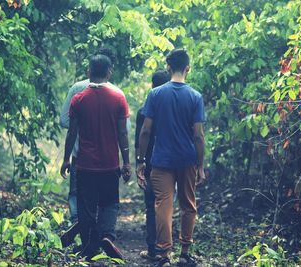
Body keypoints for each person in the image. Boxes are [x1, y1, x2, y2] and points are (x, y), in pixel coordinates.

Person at [137, 49, 206, 267]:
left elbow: (146, 131)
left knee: (163, 206)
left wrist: (140, 160)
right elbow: (198, 135)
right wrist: (201, 165)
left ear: (168, 67)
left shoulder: (156, 95)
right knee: (188, 205)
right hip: (187, 159)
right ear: (188, 68)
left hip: (161, 160)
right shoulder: (195, 96)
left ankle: (163, 255)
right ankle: (185, 254)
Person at [61, 54, 131, 260]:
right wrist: (126, 162)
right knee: (110, 203)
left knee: (86, 206)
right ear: (109, 72)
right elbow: (123, 134)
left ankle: (89, 247)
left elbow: (71, 133)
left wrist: (66, 159)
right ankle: (107, 235)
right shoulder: (118, 98)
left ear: (89, 72)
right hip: (110, 165)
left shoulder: (79, 99)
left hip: (85, 165)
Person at [135, 70, 171, 261]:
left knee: (151, 206)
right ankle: (164, 248)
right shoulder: (173, 109)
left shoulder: (144, 111)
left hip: (150, 162)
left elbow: (139, 139)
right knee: (166, 205)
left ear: (151, 86)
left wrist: (138, 163)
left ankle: (152, 248)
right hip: (171, 162)